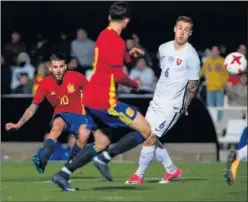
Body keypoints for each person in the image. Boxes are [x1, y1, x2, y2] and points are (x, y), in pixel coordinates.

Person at [51, 1, 157, 191]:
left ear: (109, 18)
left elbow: (111, 60)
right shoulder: (117, 41)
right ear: (127, 21)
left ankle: (63, 174)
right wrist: (135, 84)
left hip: (91, 98)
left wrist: (129, 55)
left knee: (101, 142)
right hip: (105, 100)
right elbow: (117, 75)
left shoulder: (103, 34)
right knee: (146, 131)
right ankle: (105, 158)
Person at [5, 53, 109, 174]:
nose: (58, 70)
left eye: (61, 66)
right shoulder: (44, 84)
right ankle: (42, 160)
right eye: (55, 67)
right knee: (56, 128)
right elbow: (32, 108)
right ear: (50, 68)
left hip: (79, 114)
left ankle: (69, 165)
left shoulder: (77, 77)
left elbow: (92, 93)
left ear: (65, 67)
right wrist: (18, 124)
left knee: (84, 135)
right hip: (61, 114)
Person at [127, 16, 201, 184]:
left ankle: (138, 175)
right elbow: (165, 72)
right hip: (157, 101)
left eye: (186, 29)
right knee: (147, 134)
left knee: (151, 137)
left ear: (190, 33)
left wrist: (185, 104)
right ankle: (172, 170)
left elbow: (193, 83)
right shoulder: (163, 48)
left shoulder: (192, 56)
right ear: (175, 29)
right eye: (180, 28)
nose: (182, 32)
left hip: (172, 105)